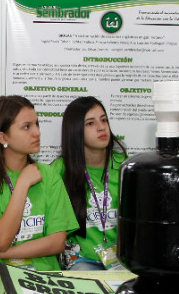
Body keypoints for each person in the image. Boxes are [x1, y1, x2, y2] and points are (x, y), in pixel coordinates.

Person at [0, 95, 77, 270]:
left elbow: (56, 243)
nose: (37, 132)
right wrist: (23, 183)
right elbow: (1, 240)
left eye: (37, 124)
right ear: (3, 138)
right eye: (26, 127)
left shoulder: (48, 174)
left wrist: (3, 254)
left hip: (45, 277)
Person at [50, 97, 128, 270]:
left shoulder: (123, 165)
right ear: (75, 130)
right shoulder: (60, 170)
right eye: (90, 123)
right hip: (80, 259)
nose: (101, 127)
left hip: (119, 258)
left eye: (104, 120)